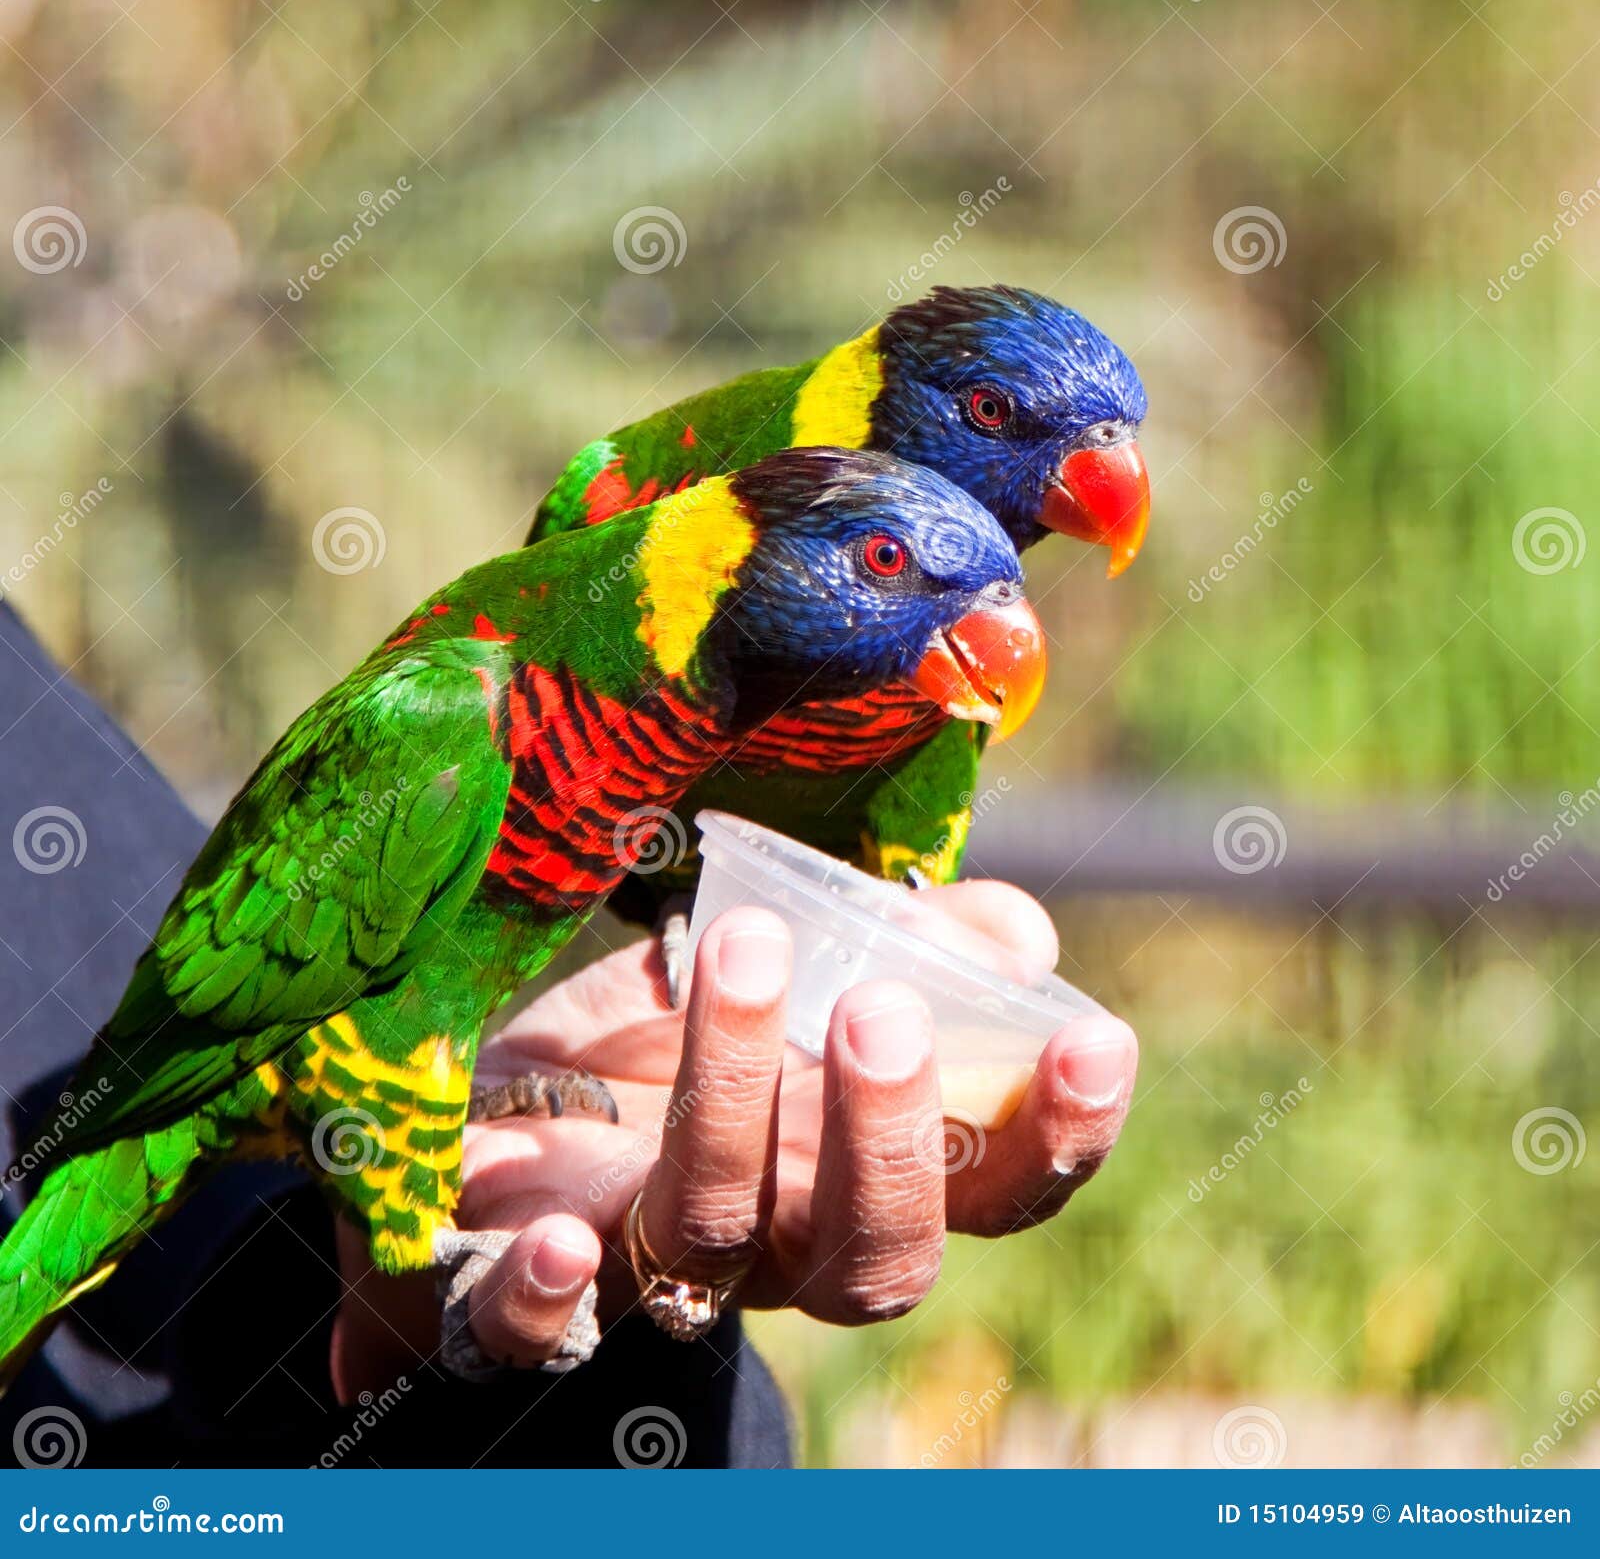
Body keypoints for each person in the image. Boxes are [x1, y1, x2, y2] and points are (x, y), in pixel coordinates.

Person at [0, 598, 1136, 1468]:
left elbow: (192, 1339)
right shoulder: (455, 716)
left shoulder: (33, 750)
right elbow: (170, 1087)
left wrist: (538, 1355)